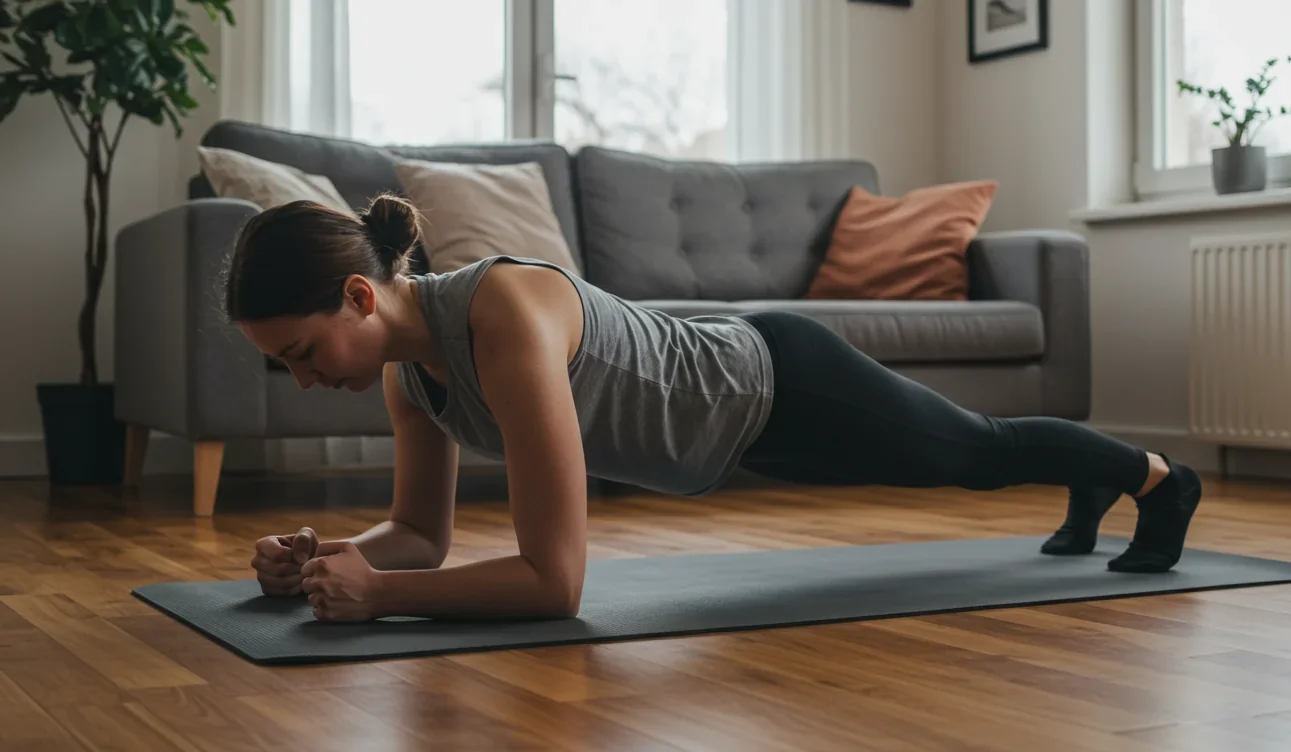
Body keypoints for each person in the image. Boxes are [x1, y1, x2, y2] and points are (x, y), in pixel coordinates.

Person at [226, 195, 1202, 623]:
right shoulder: (407, 376)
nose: (306, 381)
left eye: (303, 355)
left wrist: (380, 597)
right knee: (969, 457)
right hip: (731, 446)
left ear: (358, 298)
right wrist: (332, 560)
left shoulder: (500, 315)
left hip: (779, 384)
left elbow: (552, 581)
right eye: (285, 369)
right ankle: (1088, 489)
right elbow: (417, 535)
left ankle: (1160, 483)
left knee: (977, 452)